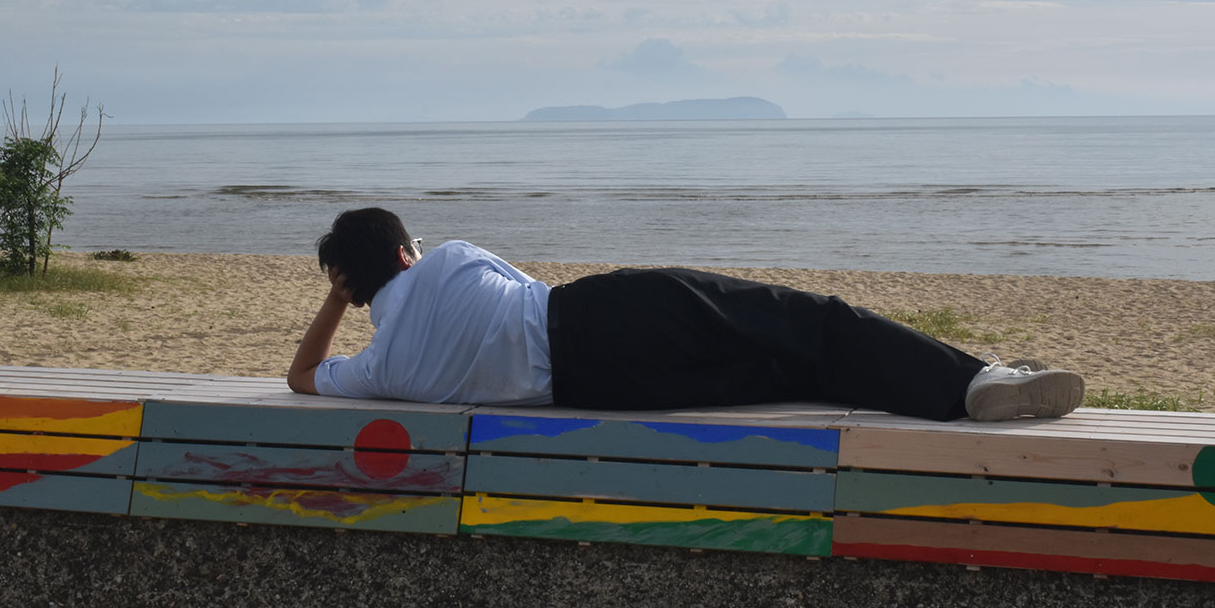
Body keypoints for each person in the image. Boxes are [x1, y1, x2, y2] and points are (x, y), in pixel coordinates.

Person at [287, 207, 1085, 421]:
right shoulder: (451, 257)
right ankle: (975, 383)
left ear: (349, 286)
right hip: (601, 315)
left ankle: (957, 395)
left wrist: (336, 298)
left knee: (785, 372)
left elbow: (300, 377)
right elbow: (525, 293)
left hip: (601, 389)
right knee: (807, 323)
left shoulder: (384, 372)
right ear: (405, 253)